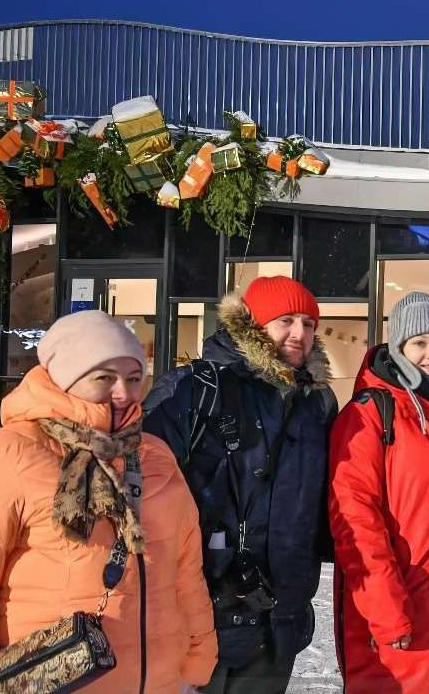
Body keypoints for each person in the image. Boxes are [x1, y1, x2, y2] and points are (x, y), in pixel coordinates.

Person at [0, 310, 216, 693]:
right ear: (65, 378)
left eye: (134, 378)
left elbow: (186, 573)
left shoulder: (155, 455)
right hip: (56, 681)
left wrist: (197, 661)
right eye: (104, 377)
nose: (123, 392)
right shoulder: (8, 454)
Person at [144, 276, 338, 693]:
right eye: (285, 320)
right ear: (253, 325)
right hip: (199, 615)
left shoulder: (316, 402)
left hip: (278, 617)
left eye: (309, 323)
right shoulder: (193, 390)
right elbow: (139, 491)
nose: (299, 333)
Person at [328, 292, 429, 694]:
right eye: (419, 342)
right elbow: (355, 520)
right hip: (402, 617)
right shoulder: (370, 414)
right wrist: (385, 610)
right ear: (398, 347)